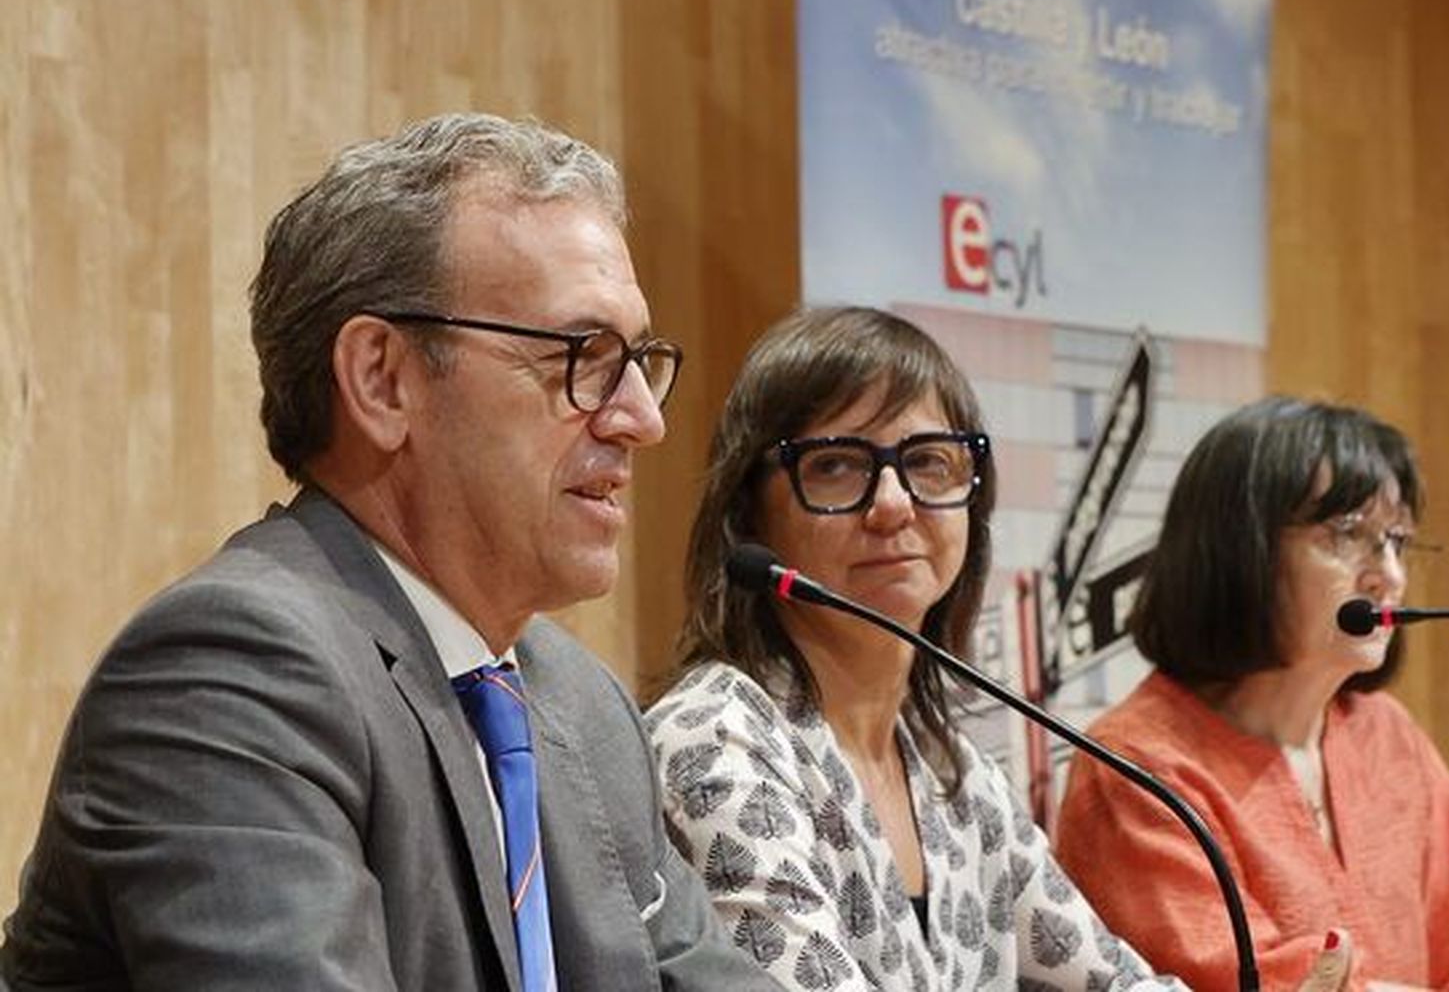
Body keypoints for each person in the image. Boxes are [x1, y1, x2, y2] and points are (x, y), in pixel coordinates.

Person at [1, 113, 777, 990]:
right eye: (584, 355)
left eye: (638, 360)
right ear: (381, 379)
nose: (641, 418)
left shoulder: (579, 703)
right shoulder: (230, 676)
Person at [645, 307, 1353, 991]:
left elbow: (1109, 980)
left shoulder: (957, 777)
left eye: (928, 462)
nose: (893, 504)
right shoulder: (715, 740)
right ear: (748, 514)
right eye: (835, 465)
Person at [1053, 396, 1449, 991]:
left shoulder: (1387, 737)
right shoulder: (1138, 770)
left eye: (1396, 540)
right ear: (1241, 549)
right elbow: (1238, 983)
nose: (1389, 575)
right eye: (1349, 534)